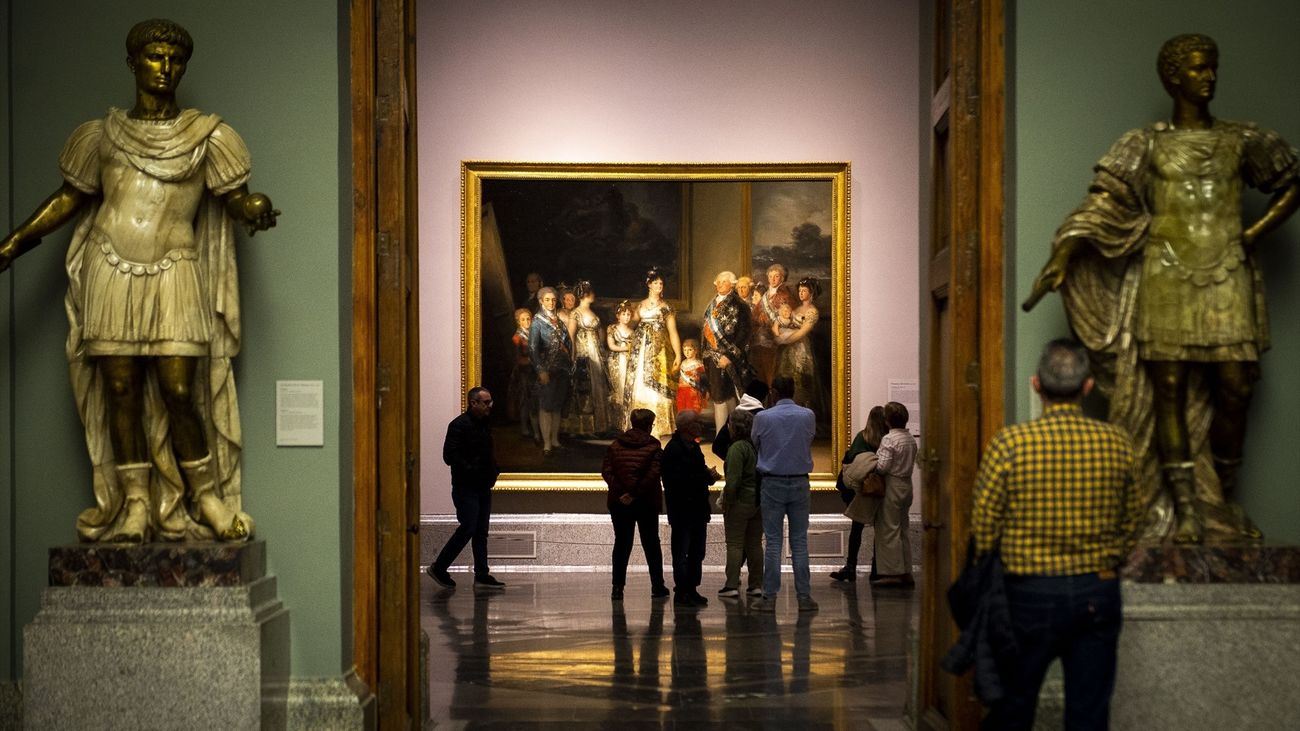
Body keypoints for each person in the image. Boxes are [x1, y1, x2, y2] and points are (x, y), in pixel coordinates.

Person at [0, 18, 278, 543]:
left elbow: (235, 198)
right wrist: (14, 241)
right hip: (109, 265)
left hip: (175, 267)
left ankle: (207, 498)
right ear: (132, 63)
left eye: (176, 59)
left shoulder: (209, 137)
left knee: (180, 390)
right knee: (120, 389)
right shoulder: (101, 135)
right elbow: (69, 198)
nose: (166, 67)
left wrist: (253, 210)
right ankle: (134, 504)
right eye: (154, 57)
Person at [1022, 33, 1299, 544]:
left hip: (1227, 273)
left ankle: (1221, 499)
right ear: (1173, 77)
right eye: (1197, 68)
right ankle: (1188, 509)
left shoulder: (1241, 139)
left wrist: (1252, 234)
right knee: (1166, 390)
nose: (1209, 77)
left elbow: (1291, 179)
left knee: (1237, 386)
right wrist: (1064, 254)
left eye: (1212, 67)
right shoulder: (1145, 144)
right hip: (1165, 274)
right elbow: (1103, 204)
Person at [973, 339, 1140, 729]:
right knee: (1089, 712)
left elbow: (983, 529)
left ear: (1036, 385)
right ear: (1088, 386)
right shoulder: (1117, 443)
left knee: (1014, 707)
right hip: (1096, 589)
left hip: (1028, 592)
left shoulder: (1010, 444)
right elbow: (1133, 520)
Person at [427, 387, 506, 591]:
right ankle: (439, 567)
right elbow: (449, 456)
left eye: (490, 402)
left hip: (482, 485)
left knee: (481, 531)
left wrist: (493, 471)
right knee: (468, 527)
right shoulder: (458, 425)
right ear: (473, 403)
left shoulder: (484, 424)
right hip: (466, 487)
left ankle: (482, 574)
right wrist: (472, 469)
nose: (490, 406)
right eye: (486, 402)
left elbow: (487, 453)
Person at [750, 376, 818, 612]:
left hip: (772, 482)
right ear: (793, 390)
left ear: (774, 393)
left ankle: (769, 597)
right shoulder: (807, 415)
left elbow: (755, 443)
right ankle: (804, 597)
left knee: (773, 542)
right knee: (799, 541)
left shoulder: (763, 417)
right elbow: (809, 439)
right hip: (800, 481)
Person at [601, 408, 670, 601]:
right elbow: (653, 474)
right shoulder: (653, 445)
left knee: (622, 544)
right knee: (651, 543)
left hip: (620, 502)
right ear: (648, 426)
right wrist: (634, 493)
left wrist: (623, 493)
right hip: (646, 501)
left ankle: (617, 588)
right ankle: (657, 585)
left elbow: (607, 472)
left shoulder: (616, 445)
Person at [661, 409, 720, 607]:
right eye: (697, 423)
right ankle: (682, 590)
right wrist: (704, 477)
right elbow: (676, 481)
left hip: (697, 508)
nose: (701, 426)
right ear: (687, 427)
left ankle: (692, 588)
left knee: (697, 552)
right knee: (681, 552)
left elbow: (697, 473)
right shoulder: (673, 450)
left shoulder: (693, 447)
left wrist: (708, 477)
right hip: (682, 510)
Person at [621, 267, 682, 438]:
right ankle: (639, 423)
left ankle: (659, 425)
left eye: (661, 283)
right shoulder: (640, 305)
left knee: (659, 382)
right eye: (656, 283)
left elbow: (673, 332)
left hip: (660, 352)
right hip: (640, 352)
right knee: (640, 382)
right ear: (648, 284)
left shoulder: (667, 307)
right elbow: (630, 326)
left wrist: (678, 354)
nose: (659, 286)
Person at [830, 405, 888, 583]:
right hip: (879, 489)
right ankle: (877, 568)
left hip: (858, 491)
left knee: (857, 528)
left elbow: (848, 460)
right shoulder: (886, 440)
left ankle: (851, 567)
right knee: (880, 529)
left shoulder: (861, 437)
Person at [716, 409, 763, 599]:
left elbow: (733, 480)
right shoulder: (755, 446)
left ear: (734, 427)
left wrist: (727, 500)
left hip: (740, 502)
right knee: (754, 545)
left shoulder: (737, 448)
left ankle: (731, 584)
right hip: (757, 501)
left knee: (735, 544)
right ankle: (756, 585)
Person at [871, 401, 918, 587]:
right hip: (907, 484)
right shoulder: (910, 439)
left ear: (888, 420)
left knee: (889, 529)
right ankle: (906, 571)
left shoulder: (889, 439)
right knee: (904, 528)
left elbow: (882, 467)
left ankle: (892, 573)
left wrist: (872, 463)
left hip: (892, 484)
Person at [700, 270, 752, 433]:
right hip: (711, 356)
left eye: (724, 282)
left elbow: (744, 333)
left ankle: (725, 435)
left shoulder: (740, 305)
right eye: (718, 282)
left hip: (730, 357)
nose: (720, 285)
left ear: (732, 285)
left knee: (726, 395)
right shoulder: (711, 304)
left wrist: (729, 356)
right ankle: (726, 433)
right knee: (720, 395)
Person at [528, 286, 572, 455]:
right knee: (546, 406)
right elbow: (533, 349)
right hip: (547, 369)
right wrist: (540, 370)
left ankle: (555, 440)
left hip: (562, 369)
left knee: (557, 405)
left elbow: (568, 343)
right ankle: (547, 443)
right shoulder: (537, 322)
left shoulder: (559, 322)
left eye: (553, 299)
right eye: (547, 299)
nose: (551, 302)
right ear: (541, 301)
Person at [566, 280, 612, 437]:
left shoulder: (592, 312)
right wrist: (573, 356)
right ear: (585, 294)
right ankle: (584, 428)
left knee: (598, 386)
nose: (593, 295)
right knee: (585, 388)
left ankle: (599, 426)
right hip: (584, 353)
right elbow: (571, 336)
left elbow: (599, 332)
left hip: (596, 352)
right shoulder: (575, 313)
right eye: (591, 292)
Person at [774, 277, 823, 410]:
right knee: (786, 378)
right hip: (788, 348)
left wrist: (784, 340)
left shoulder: (812, 311)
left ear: (811, 293)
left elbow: (802, 332)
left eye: (804, 291)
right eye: (800, 290)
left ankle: (800, 409)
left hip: (801, 348)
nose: (801, 293)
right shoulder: (796, 308)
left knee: (800, 381)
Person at [749, 263, 794, 385]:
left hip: (776, 340)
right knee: (759, 372)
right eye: (770, 276)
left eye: (776, 276)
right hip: (761, 339)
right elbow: (755, 315)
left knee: (772, 373)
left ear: (782, 278)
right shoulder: (765, 295)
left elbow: (787, 317)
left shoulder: (786, 295)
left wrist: (767, 320)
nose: (773, 279)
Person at [711, 379, 769, 461]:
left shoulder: (733, 416)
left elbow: (717, 446)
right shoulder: (764, 417)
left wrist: (733, 460)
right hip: (757, 467)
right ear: (764, 399)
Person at [507, 308, 539, 442]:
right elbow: (517, 358)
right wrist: (531, 359)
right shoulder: (517, 338)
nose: (526, 322)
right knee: (525, 399)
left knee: (535, 400)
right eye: (523, 320)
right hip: (523, 372)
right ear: (518, 322)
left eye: (528, 319)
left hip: (535, 371)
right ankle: (525, 428)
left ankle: (536, 430)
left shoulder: (535, 334)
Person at [605, 299, 636, 430]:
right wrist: (627, 348)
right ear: (618, 316)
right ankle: (614, 423)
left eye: (628, 314)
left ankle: (626, 423)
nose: (626, 317)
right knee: (616, 389)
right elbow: (611, 346)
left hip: (628, 362)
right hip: (616, 362)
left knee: (627, 389)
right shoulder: (612, 329)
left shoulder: (632, 332)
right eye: (623, 314)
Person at [674, 339, 709, 415]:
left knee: (692, 413)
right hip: (681, 392)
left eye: (690, 350)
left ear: (696, 351)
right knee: (681, 412)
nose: (686, 352)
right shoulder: (682, 363)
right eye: (684, 350)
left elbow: (704, 380)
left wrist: (706, 391)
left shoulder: (699, 364)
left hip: (693, 393)